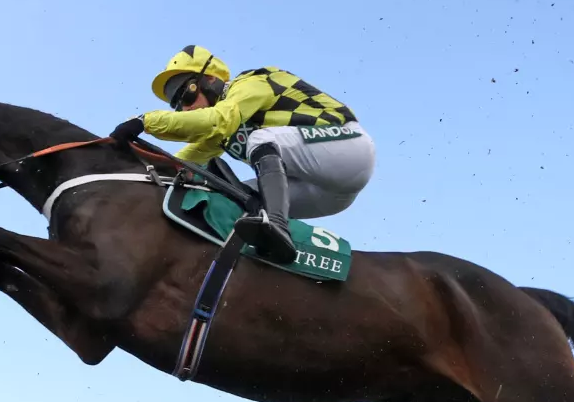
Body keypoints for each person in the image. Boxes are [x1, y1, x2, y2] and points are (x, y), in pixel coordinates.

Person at [110, 45, 376, 265]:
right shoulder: (220, 134)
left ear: (211, 80)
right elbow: (178, 164)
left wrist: (145, 121)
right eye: (177, 105)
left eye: (187, 94)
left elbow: (218, 119)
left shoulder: (250, 83)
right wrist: (128, 164)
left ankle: (277, 225)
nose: (185, 109)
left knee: (261, 138)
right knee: (227, 197)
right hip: (330, 196)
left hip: (350, 147)